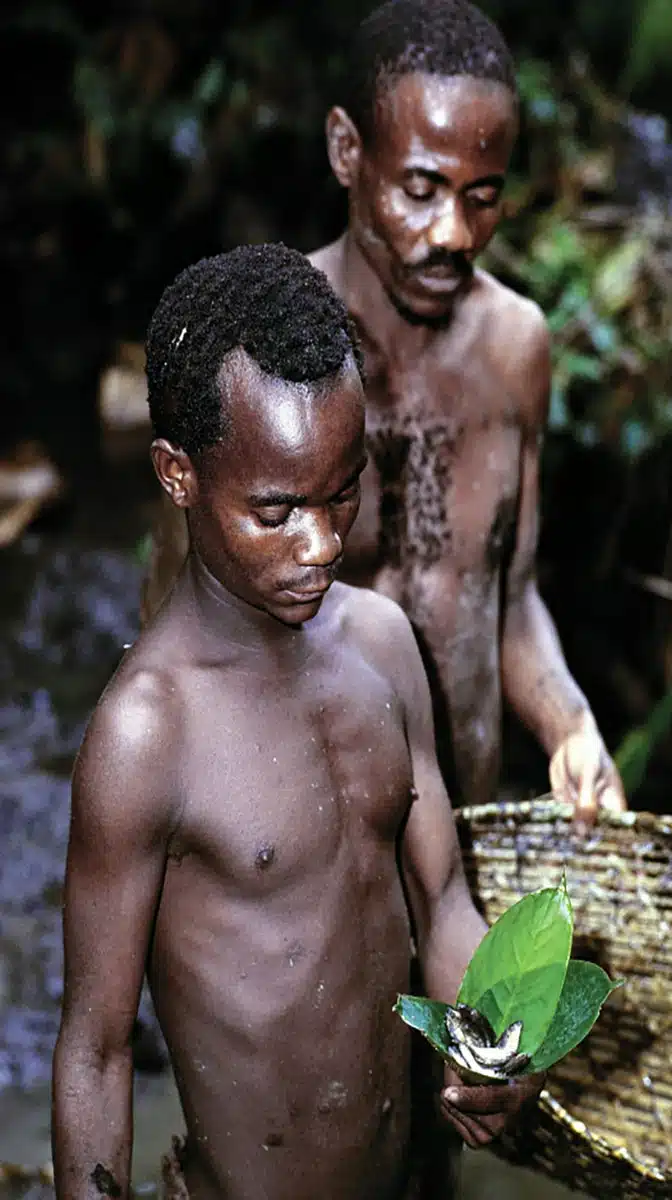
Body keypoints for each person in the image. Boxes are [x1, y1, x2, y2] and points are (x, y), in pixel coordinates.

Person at [52, 243, 542, 1200]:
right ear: (179, 475)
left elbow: (439, 901)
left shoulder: (385, 645)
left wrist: (490, 1043)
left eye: (341, 492)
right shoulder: (149, 737)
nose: (321, 545)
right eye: (276, 511)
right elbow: (97, 1053)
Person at [140, 0, 626, 824]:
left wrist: (569, 723)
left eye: (483, 196)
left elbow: (506, 595)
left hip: (466, 827)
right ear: (346, 152)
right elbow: (166, 637)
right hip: (298, 856)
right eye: (421, 189)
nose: (454, 233)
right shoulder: (248, 349)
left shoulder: (518, 351)